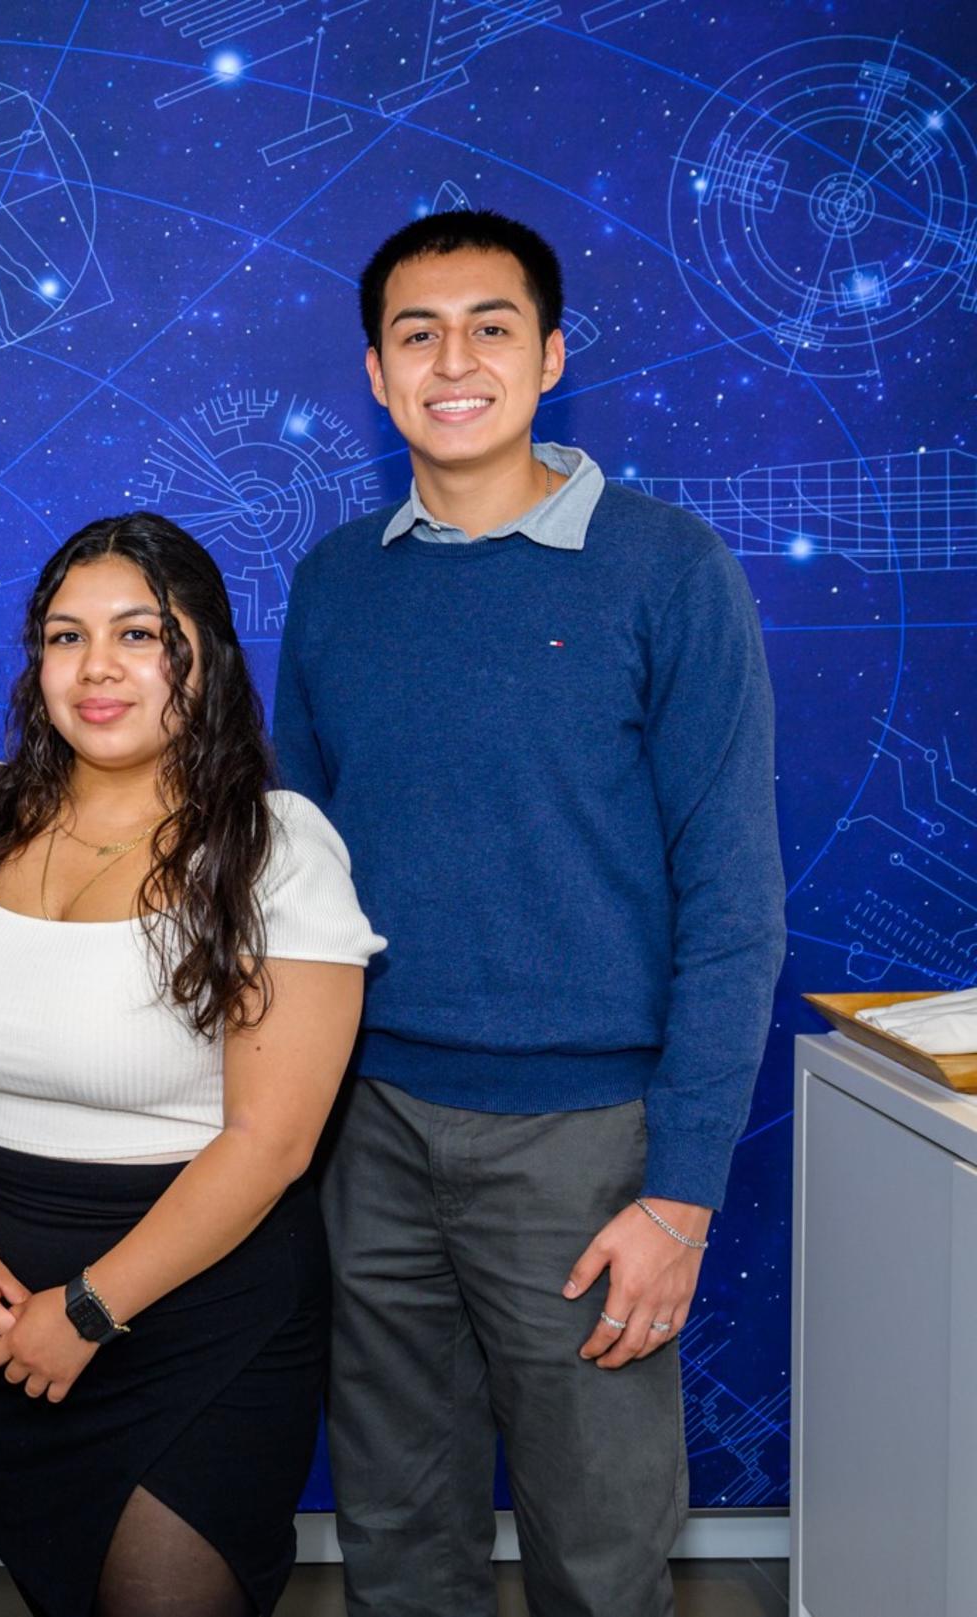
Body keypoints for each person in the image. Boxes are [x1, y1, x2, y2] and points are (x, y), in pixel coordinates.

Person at [273, 209, 787, 1616]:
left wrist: (678, 1196)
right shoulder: (332, 588)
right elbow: (290, 893)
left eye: (491, 327)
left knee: (602, 1550)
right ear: (374, 375)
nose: (455, 360)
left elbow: (736, 907)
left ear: (549, 356)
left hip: (589, 1153)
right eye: (416, 333)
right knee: (396, 1533)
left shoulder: (667, 572)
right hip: (367, 1134)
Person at [0, 513, 380, 1617]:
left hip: (198, 1320)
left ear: (201, 657)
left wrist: (96, 1310)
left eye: (139, 634)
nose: (97, 667)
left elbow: (275, 1139)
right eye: (65, 637)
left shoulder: (275, 846)